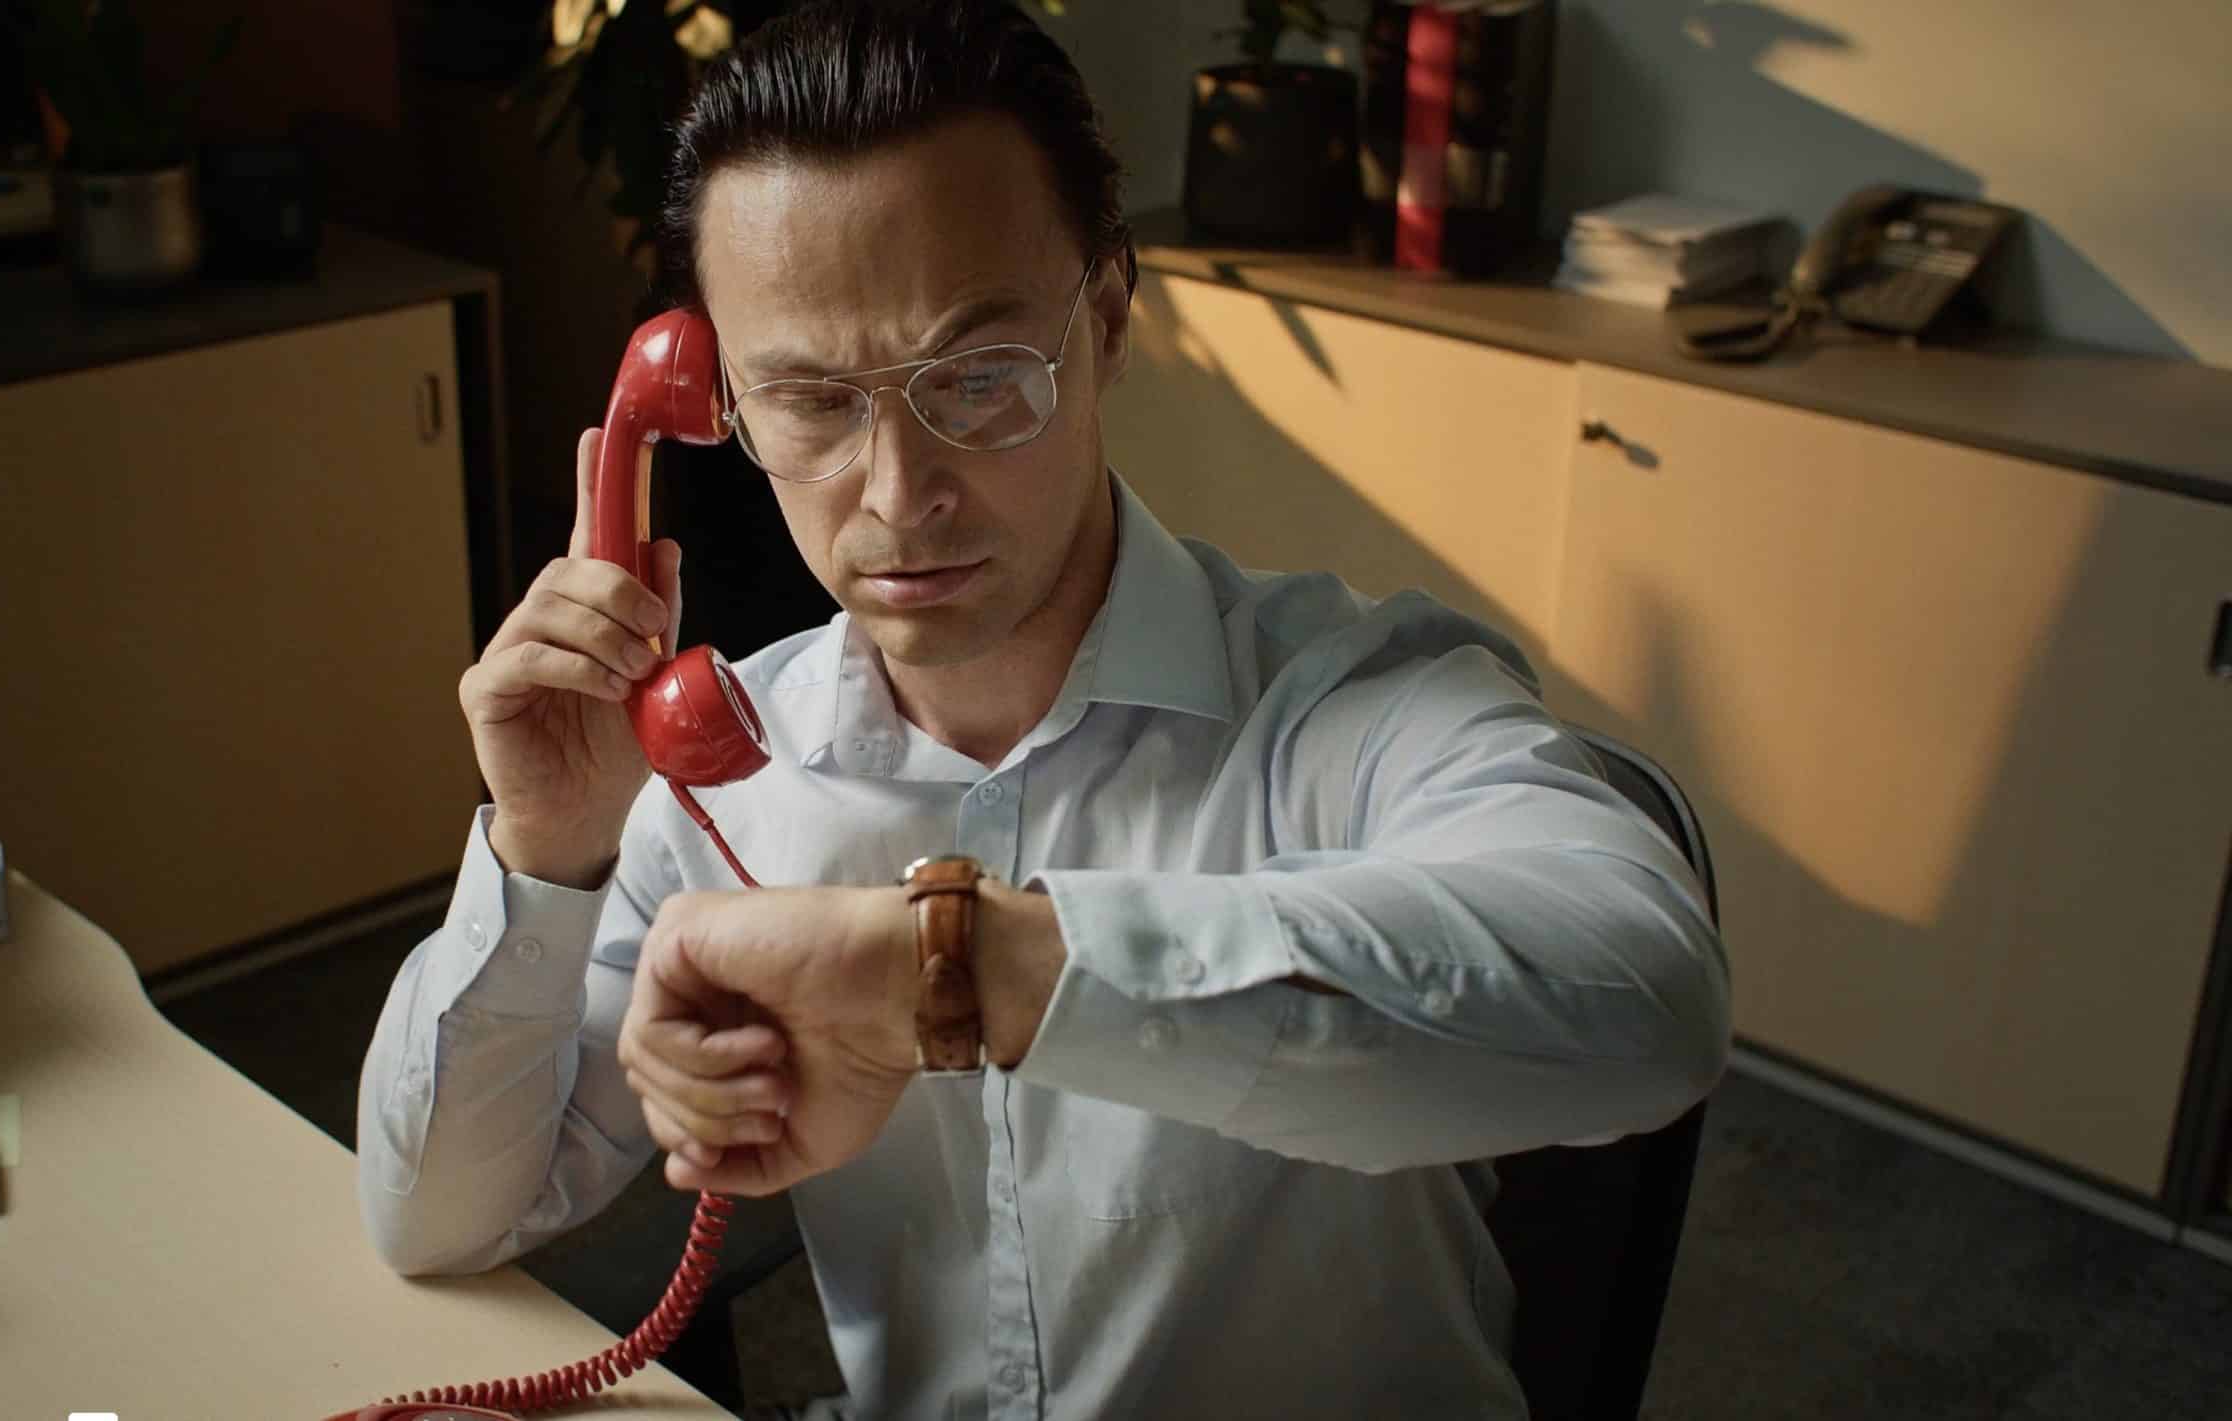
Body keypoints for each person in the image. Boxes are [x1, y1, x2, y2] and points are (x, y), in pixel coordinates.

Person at [357, 2, 1730, 1416]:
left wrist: (953, 971)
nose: (899, 496)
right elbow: (434, 1216)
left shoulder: (1355, 700)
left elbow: (1647, 993)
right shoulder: (723, 783)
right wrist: (548, 846)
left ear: (1110, 321)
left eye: (977, 377)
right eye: (810, 402)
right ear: (717, 405)